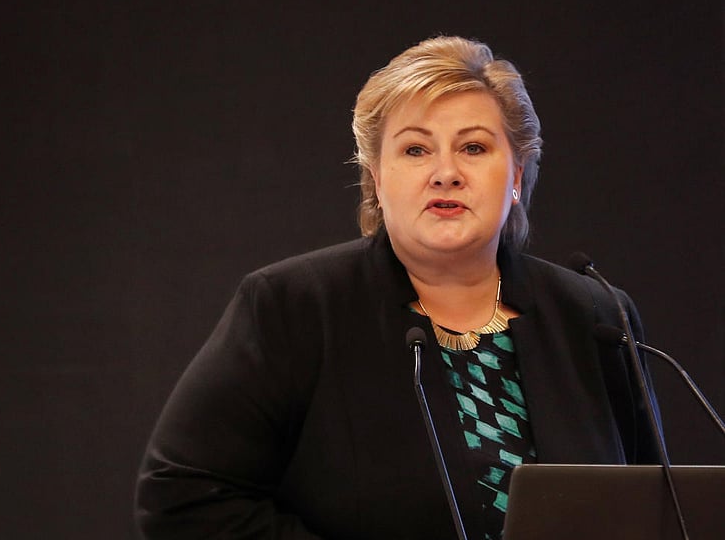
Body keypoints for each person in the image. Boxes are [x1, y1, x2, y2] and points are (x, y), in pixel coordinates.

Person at [134, 36, 662, 539]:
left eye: (474, 147)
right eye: (415, 151)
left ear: (517, 174)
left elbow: (656, 509)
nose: (446, 173)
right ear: (377, 180)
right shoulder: (293, 308)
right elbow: (180, 494)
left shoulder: (594, 315)